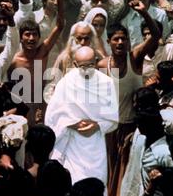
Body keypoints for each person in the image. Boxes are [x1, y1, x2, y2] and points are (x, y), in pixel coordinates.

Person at [97, 0, 161, 196]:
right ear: (109, 42)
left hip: (131, 128)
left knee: (126, 173)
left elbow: (154, 35)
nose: (121, 42)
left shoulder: (135, 58)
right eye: (116, 39)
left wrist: (144, 14)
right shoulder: (101, 65)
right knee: (109, 172)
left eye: (124, 38)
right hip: (108, 128)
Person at [45, 46, 118, 187]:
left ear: (96, 62)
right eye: (82, 66)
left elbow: (113, 118)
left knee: (96, 185)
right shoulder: (65, 83)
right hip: (71, 142)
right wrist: (72, 124)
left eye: (90, 65)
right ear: (75, 65)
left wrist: (97, 125)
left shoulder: (106, 83)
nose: (86, 69)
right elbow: (52, 117)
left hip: (95, 143)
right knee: (72, 184)